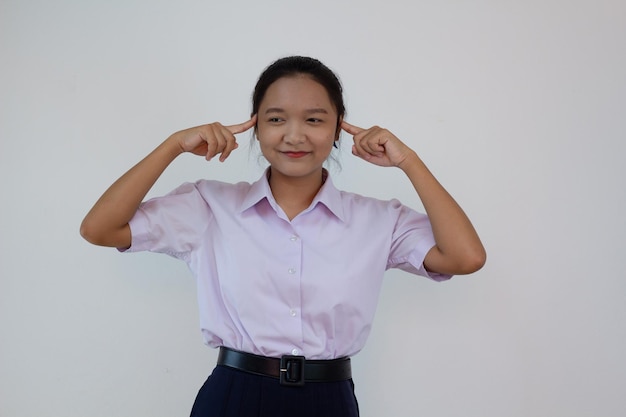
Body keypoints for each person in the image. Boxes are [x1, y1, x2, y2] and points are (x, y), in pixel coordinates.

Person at [80, 55, 486, 417]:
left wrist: (408, 161)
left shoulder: (379, 220)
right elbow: (100, 229)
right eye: (276, 119)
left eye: (314, 119)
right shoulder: (208, 205)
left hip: (329, 400)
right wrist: (172, 146)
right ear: (255, 127)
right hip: (234, 397)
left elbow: (465, 257)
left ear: (338, 129)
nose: (294, 136)